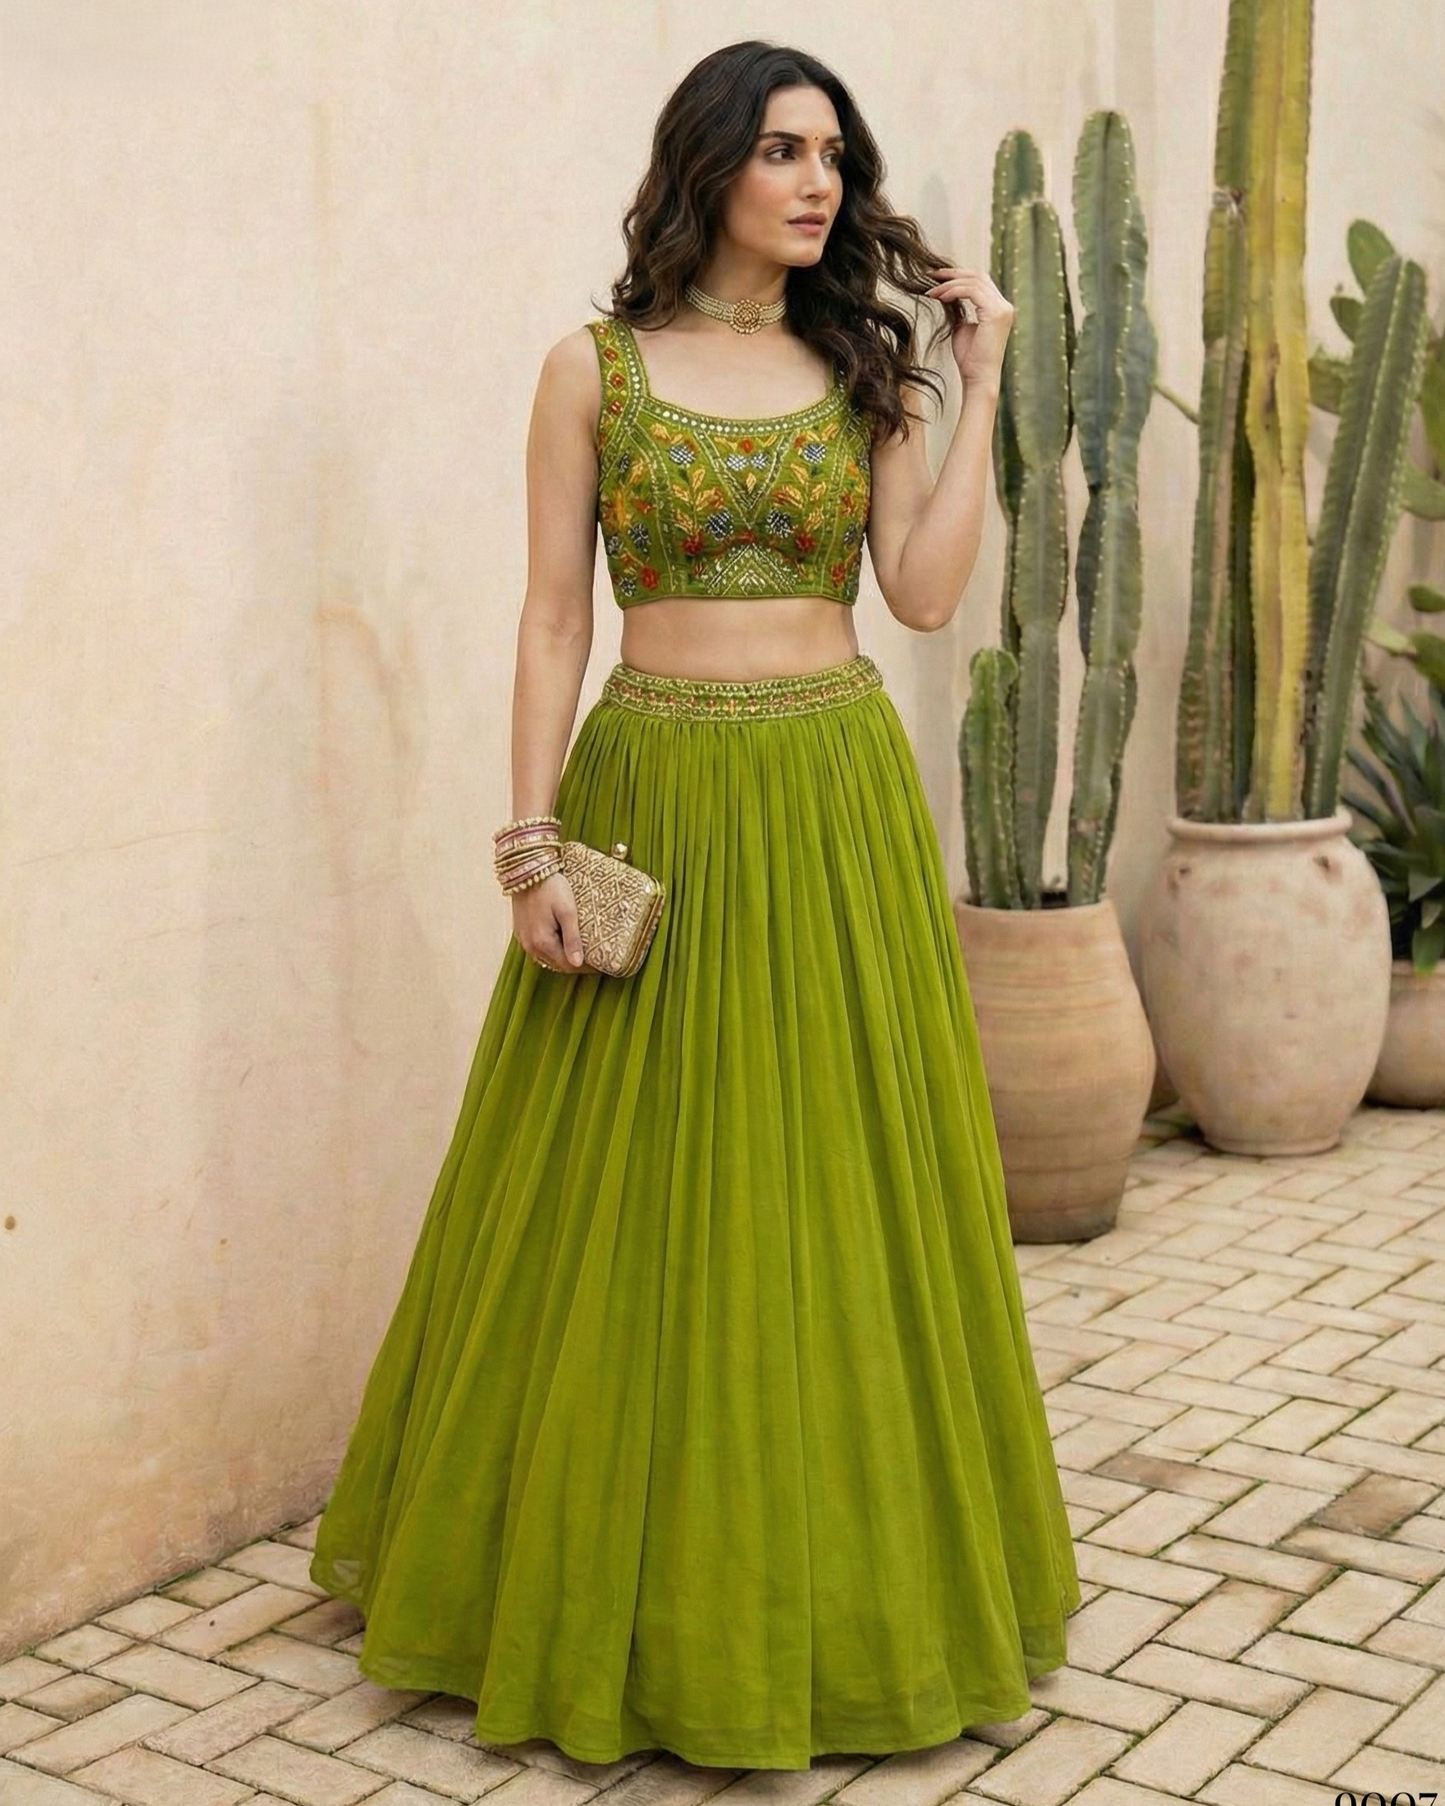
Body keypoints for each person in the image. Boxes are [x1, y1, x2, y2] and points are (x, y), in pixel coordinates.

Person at [309, 36, 1079, 1775]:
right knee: (620, 1198)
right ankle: (597, 1586)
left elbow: (928, 593)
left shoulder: (859, 369)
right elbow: (553, 621)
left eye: (834, 155)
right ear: (712, 164)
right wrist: (526, 843)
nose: (818, 182)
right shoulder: (592, 369)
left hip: (830, 800)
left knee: (835, 1192)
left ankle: (839, 1588)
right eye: (785, 151)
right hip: (649, 790)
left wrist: (979, 376)